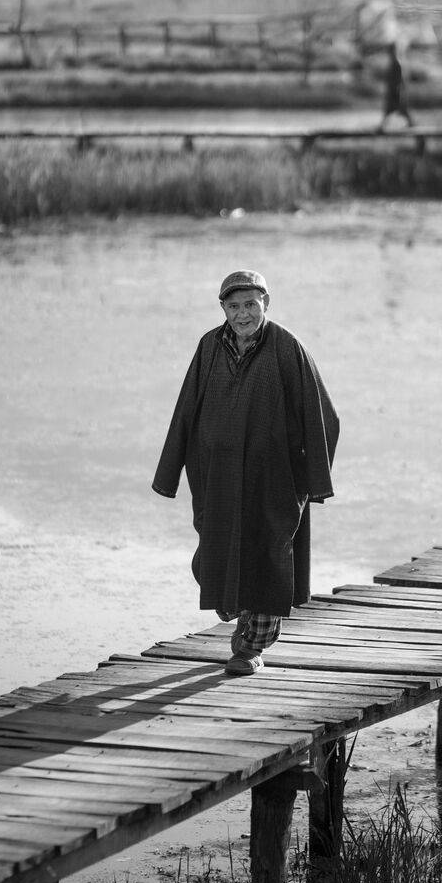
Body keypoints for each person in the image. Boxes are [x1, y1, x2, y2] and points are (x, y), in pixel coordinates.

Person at [153, 270, 340, 676]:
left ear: (265, 303)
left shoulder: (287, 347)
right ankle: (240, 619)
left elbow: (323, 415)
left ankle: (251, 647)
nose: (243, 314)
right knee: (215, 556)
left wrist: (310, 478)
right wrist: (170, 472)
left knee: (268, 554)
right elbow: (186, 409)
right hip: (216, 475)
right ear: (223, 308)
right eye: (234, 306)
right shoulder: (209, 346)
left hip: (274, 477)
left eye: (251, 305)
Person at [379, 41, 414, 129]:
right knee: (394, 110)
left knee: (398, 110)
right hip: (394, 92)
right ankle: (382, 126)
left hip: (396, 92)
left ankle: (382, 127)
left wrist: (398, 91)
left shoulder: (396, 64)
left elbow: (400, 80)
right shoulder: (393, 63)